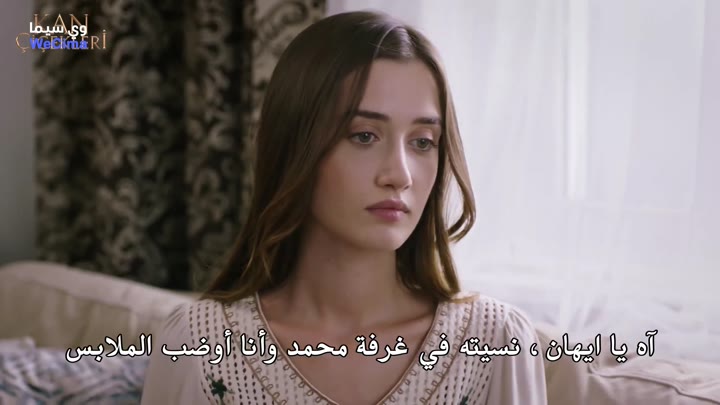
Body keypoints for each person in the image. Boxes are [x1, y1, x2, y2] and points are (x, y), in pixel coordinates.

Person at [141, 10, 547, 405]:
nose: (400, 175)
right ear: (292, 147)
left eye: (423, 142)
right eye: (364, 136)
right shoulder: (200, 345)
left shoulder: (496, 344)